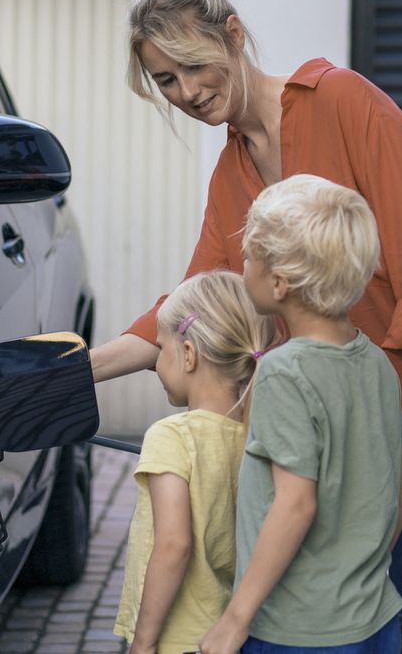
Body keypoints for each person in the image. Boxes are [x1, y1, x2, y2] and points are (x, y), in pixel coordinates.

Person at [92, 0, 402, 653]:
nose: (186, 92)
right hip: (358, 429)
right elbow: (196, 306)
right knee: (371, 617)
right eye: (165, 81)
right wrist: (80, 371)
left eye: (193, 67)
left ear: (232, 36)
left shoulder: (342, 101)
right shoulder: (232, 171)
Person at [200, 174, 402, 653]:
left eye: (250, 255)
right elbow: (400, 488)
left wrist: (235, 621)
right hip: (373, 616)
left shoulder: (283, 371)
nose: (243, 262)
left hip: (296, 631)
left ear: (279, 282)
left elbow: (295, 504)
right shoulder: (377, 362)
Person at [114, 270, 276, 654]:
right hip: (226, 631)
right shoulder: (257, 436)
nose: (156, 365)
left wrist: (143, 642)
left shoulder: (172, 437)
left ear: (188, 355)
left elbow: (174, 545)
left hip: (175, 639)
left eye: (160, 350)